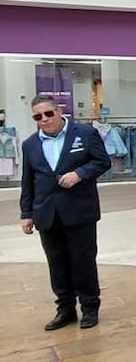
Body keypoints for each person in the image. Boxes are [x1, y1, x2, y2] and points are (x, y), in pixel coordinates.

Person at [19, 95, 111, 330]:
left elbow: (102, 162)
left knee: (83, 262)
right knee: (57, 264)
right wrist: (26, 213)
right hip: (46, 212)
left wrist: (79, 173)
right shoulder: (30, 144)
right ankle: (65, 310)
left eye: (48, 114)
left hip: (79, 210)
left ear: (59, 111)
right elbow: (28, 181)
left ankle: (90, 307)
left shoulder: (84, 133)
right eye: (38, 116)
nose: (44, 120)